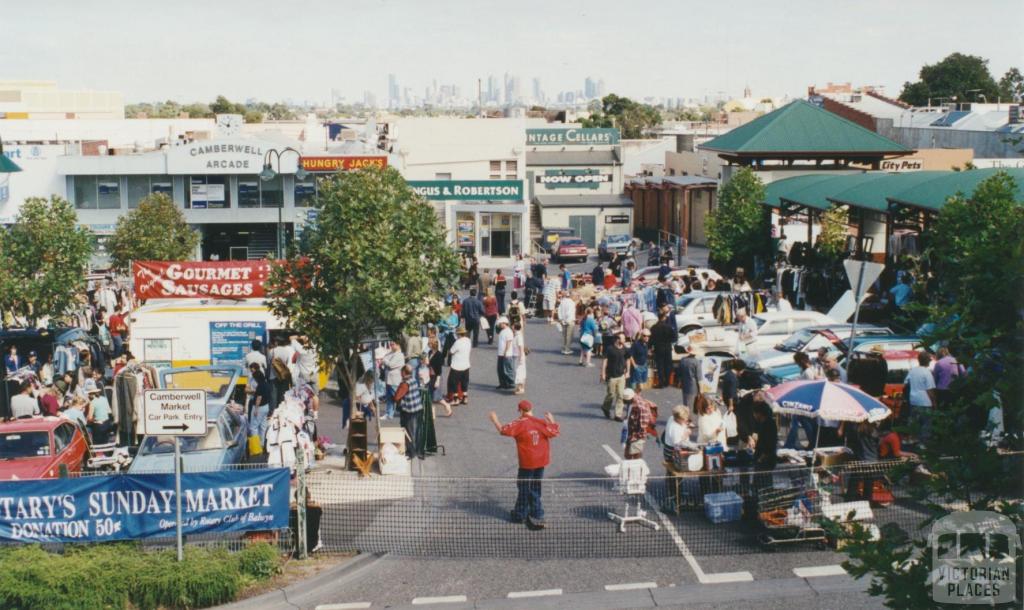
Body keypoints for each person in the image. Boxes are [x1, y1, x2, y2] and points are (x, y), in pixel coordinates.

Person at [489, 401, 560, 530]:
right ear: (531, 409)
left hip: (527, 463)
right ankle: (536, 513)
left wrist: (495, 420)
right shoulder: (541, 423)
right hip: (541, 461)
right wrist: (551, 420)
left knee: (524, 488)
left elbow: (503, 430)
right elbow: (554, 432)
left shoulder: (519, 423)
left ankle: (520, 514)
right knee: (535, 486)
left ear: (521, 411)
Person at [393, 365, 425, 460]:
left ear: (403, 372)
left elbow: (397, 397)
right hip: (418, 408)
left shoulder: (405, 383)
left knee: (408, 432)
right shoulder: (414, 379)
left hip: (409, 411)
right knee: (418, 432)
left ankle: (411, 452)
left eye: (401, 372)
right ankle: (420, 451)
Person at [904, 351, 936, 441]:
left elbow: (906, 383)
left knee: (914, 423)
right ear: (928, 361)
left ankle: (913, 440)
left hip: (913, 400)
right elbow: (930, 390)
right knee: (926, 424)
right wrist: (934, 402)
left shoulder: (912, 370)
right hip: (925, 402)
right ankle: (923, 443)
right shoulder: (927, 372)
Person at [601, 333, 630, 421]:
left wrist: (628, 371)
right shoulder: (610, 349)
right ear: (617, 339)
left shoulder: (625, 349)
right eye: (623, 338)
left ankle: (618, 415)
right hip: (611, 376)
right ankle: (605, 407)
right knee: (611, 395)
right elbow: (605, 361)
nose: (624, 340)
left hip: (621, 376)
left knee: (621, 395)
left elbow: (628, 360)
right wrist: (603, 373)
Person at [623, 387, 657, 459]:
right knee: (628, 453)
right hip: (633, 432)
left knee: (635, 455)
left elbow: (643, 424)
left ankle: (635, 468)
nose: (625, 403)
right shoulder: (635, 399)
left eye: (626, 401)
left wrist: (636, 437)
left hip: (638, 435)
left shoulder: (640, 407)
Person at [649, 311, 676, 389]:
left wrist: (650, 347)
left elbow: (651, 340)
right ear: (664, 318)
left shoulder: (654, 327)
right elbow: (674, 337)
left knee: (660, 366)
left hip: (658, 348)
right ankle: (667, 381)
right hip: (667, 348)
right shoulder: (669, 327)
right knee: (668, 365)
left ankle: (661, 382)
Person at [247, 363, 272, 445]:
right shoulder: (267, 384)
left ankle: (256, 447)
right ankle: (262, 444)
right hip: (266, 407)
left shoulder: (260, 385)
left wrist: (256, 409)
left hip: (259, 407)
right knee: (263, 426)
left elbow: (259, 397)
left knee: (253, 427)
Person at [446, 329, 472, 406]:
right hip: (466, 364)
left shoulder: (458, 342)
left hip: (457, 365)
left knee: (453, 382)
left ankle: (455, 398)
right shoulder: (468, 340)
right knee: (464, 382)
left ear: (459, 334)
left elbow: (451, 351)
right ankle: (465, 397)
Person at [381, 340, 406, 420]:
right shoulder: (391, 353)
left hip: (395, 380)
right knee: (389, 398)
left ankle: (406, 411)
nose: (391, 346)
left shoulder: (399, 355)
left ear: (398, 345)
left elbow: (391, 365)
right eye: (390, 344)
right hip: (389, 379)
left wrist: (385, 361)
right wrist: (385, 360)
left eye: (393, 344)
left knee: (398, 397)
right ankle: (389, 414)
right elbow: (384, 358)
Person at [426, 337, 451, 416]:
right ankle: (430, 413)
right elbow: (429, 364)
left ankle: (446, 405)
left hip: (436, 377)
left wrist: (437, 380)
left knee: (437, 397)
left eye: (429, 343)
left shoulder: (439, 355)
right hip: (431, 376)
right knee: (429, 396)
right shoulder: (430, 352)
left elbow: (439, 370)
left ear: (433, 345)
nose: (428, 344)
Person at [677, 343, 702, 408]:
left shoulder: (683, 360)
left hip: (685, 385)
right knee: (692, 405)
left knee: (686, 403)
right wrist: (701, 391)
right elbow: (699, 378)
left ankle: (685, 415)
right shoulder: (696, 362)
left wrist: (679, 382)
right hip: (693, 387)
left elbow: (679, 373)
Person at [495, 317, 515, 391]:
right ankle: (503, 383)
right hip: (500, 353)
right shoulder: (502, 331)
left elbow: (508, 342)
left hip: (507, 354)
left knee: (507, 369)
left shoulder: (508, 331)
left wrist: (506, 351)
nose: (499, 325)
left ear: (504, 323)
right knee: (500, 369)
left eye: (500, 324)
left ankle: (511, 383)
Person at [512, 322, 527, 395]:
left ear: (515, 327)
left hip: (519, 356)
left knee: (520, 372)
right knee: (517, 371)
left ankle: (521, 388)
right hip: (517, 356)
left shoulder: (518, 336)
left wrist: (521, 357)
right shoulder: (516, 335)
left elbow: (521, 348)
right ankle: (519, 387)